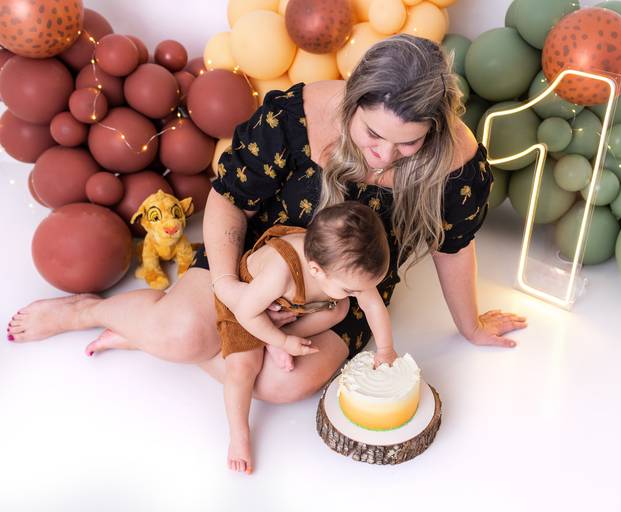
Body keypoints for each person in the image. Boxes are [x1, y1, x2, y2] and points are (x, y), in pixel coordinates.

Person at [8, 33, 527, 454]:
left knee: (280, 385)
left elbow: (453, 245)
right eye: (372, 134)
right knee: (181, 333)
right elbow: (230, 198)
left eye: (407, 142)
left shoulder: (457, 163)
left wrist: (470, 326)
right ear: (352, 99)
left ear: (434, 129)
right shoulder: (297, 115)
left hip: (340, 286)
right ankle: (91, 311)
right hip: (259, 257)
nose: (384, 155)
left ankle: (160, 334)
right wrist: (230, 289)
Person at [218, 201, 396, 473]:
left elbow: (372, 305)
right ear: (316, 270)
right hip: (251, 304)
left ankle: (279, 334)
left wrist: (385, 349)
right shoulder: (279, 273)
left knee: (339, 309)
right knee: (243, 367)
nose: (358, 294)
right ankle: (239, 435)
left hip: (288, 304)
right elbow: (245, 312)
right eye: (350, 289)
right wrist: (281, 341)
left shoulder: (338, 265)